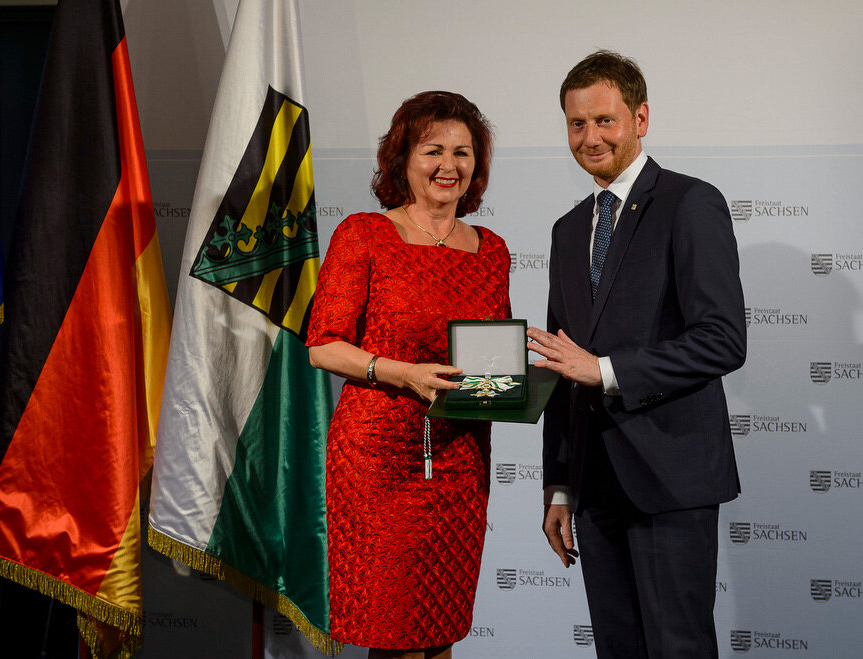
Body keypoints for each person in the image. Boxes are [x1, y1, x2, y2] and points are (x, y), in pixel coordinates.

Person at [527, 51, 746, 658]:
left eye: (604, 120)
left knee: (678, 648)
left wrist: (604, 372)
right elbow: (558, 361)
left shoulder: (690, 202)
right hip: (594, 486)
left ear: (640, 117)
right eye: (576, 124)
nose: (589, 137)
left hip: (671, 476)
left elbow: (723, 339)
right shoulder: (569, 229)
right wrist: (560, 485)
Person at [306, 91, 510, 659]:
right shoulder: (364, 235)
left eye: (463, 152)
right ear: (403, 160)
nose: (450, 165)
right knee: (394, 635)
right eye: (433, 150)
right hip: (377, 461)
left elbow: (488, 359)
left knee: (441, 626)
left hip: (461, 458)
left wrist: (509, 389)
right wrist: (403, 374)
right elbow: (323, 345)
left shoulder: (491, 250)